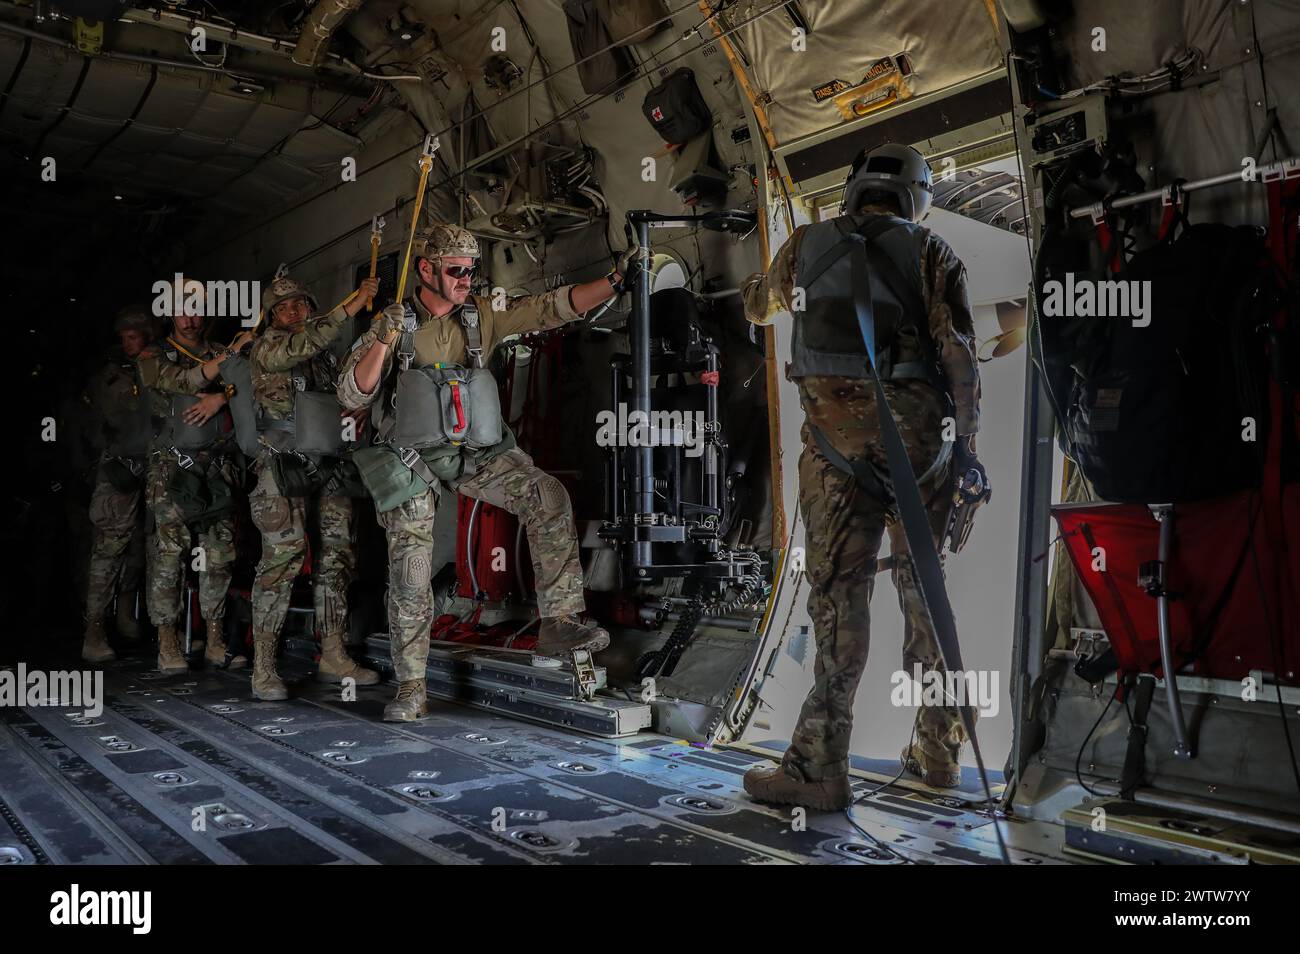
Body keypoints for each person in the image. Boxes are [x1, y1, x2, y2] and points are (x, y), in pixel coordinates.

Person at [739, 143, 986, 808]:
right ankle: (939, 756)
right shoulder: (933, 254)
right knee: (925, 594)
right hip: (921, 449)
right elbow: (959, 358)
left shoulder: (804, 245)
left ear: (855, 190)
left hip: (834, 451)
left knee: (837, 601)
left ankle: (820, 769)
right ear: (916, 197)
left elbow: (761, 310)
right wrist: (966, 449)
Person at [337, 223, 623, 721]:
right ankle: (411, 686)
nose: (466, 278)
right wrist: (383, 337)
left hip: (474, 454)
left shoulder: (481, 317)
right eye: (455, 270)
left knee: (547, 494)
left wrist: (616, 282)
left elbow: (552, 306)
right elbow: (353, 393)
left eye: (471, 270)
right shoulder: (395, 323)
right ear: (425, 270)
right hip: (411, 461)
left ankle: (557, 620)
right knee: (411, 572)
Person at [246, 274, 381, 700]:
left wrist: (356, 411)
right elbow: (301, 347)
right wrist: (352, 306)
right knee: (282, 559)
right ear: (272, 314)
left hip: (328, 460)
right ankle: (264, 666)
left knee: (338, 556)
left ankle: (333, 652)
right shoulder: (269, 345)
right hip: (282, 464)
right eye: (285, 307)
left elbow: (345, 391)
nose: (294, 311)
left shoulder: (322, 355)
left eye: (301, 304)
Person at [137, 286, 254, 673]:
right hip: (171, 471)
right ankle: (167, 642)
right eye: (182, 312)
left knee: (218, 557)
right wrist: (227, 366)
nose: (191, 319)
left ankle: (216, 640)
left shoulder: (220, 350)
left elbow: (249, 391)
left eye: (197, 311)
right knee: (168, 559)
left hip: (216, 467)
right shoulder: (153, 355)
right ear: (170, 315)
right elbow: (184, 382)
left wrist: (220, 398)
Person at [80, 306, 156, 663]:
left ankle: (126, 614)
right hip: (119, 471)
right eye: (124, 337)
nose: (129, 343)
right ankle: (94, 629)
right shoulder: (110, 379)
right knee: (109, 550)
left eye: (135, 336)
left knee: (141, 549)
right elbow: (116, 421)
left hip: (153, 469)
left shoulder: (158, 364)